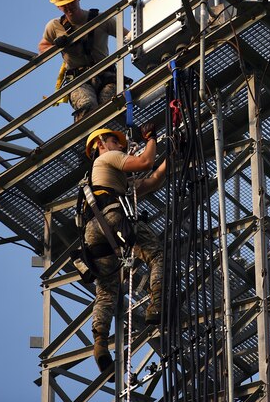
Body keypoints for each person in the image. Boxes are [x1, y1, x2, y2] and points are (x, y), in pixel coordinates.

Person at [83, 124, 167, 375]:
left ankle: (99, 344)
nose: (123, 146)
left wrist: (171, 157)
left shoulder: (109, 179)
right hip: (111, 218)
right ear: (101, 144)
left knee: (107, 291)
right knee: (156, 255)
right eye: (117, 142)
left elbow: (152, 180)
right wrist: (151, 138)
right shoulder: (108, 157)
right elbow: (144, 162)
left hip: (94, 232)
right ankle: (157, 304)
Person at [39, 0, 125, 122]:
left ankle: (115, 140)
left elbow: (126, 34)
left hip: (106, 75)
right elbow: (42, 47)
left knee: (109, 106)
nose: (68, 8)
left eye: (70, 2)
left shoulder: (99, 19)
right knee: (87, 106)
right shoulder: (54, 27)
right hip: (79, 80)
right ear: (57, 6)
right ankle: (93, 141)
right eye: (63, 5)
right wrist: (56, 46)